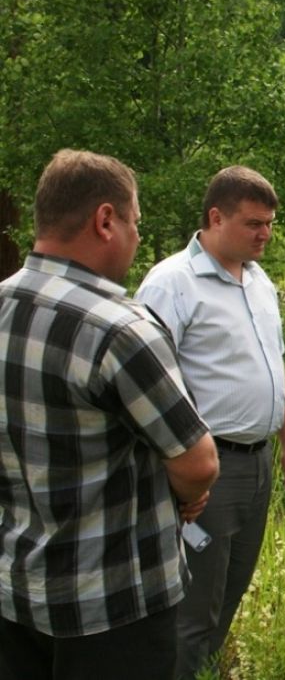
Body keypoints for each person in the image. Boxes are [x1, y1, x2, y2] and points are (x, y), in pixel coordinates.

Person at [0, 149, 219, 680]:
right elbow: (197, 464)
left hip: (13, 593)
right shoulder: (119, 329)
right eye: (135, 223)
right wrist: (188, 500)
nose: (138, 238)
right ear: (105, 220)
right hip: (113, 605)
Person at [135, 165, 285, 679]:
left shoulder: (259, 282)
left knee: (230, 590)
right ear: (215, 217)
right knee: (192, 607)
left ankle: (206, 671)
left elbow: (274, 367)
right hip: (206, 471)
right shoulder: (172, 284)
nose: (265, 234)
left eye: (270, 224)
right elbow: (148, 387)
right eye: (254, 223)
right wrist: (179, 473)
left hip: (257, 465)